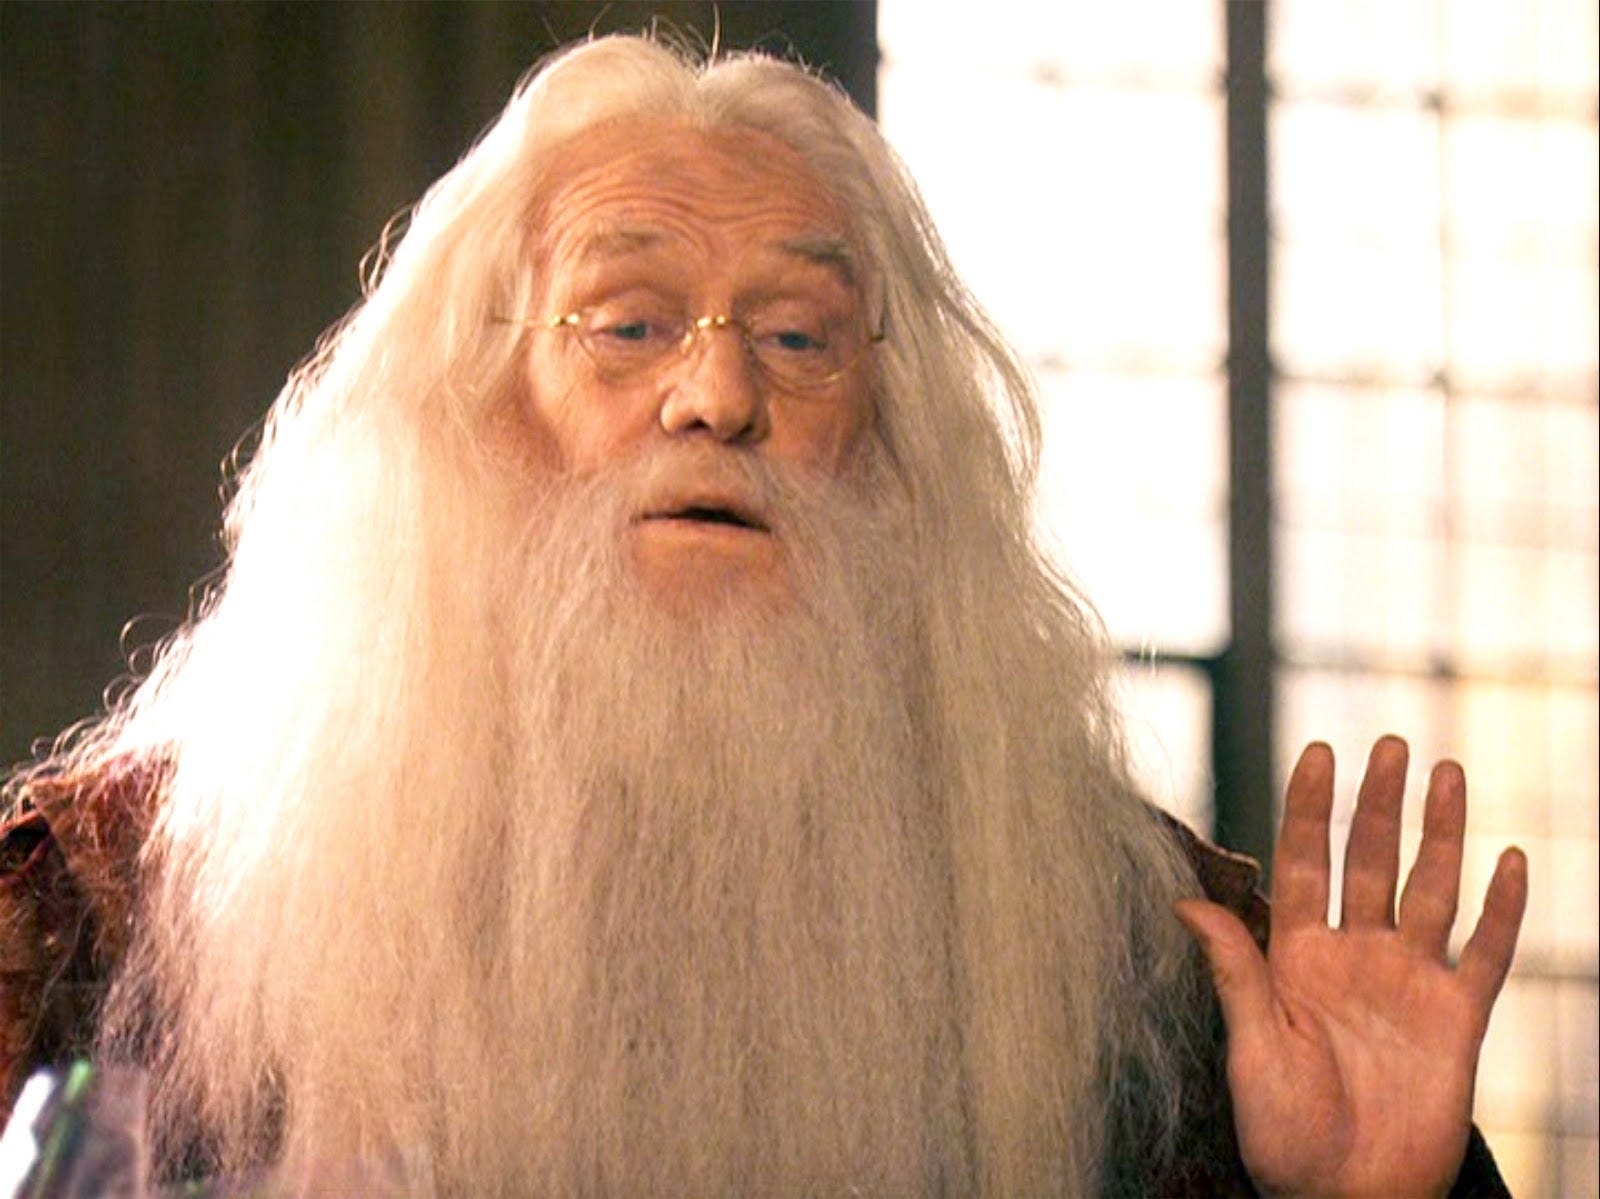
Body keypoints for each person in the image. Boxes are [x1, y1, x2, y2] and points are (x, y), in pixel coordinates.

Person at [0, 34, 1527, 1196]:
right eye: (628, 322)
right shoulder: (97, 920)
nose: (718, 393)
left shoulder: (1147, 969)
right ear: (471, 417)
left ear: (895, 453)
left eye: (801, 338)